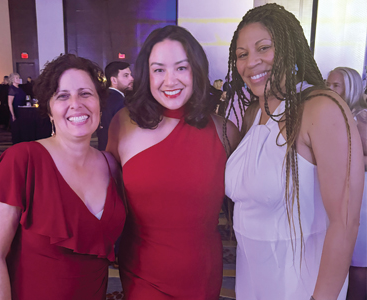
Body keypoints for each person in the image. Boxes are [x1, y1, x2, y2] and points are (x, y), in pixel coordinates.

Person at [224, 4, 364, 300]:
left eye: (264, 48)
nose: (252, 62)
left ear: (289, 48)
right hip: (253, 278)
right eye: (242, 54)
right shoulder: (254, 113)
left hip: (301, 283)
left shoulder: (320, 108)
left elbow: (346, 220)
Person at [107, 25, 240, 299]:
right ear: (146, 74)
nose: (170, 80)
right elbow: (104, 194)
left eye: (181, 68)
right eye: (159, 70)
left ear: (197, 70)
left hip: (202, 272)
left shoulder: (225, 132)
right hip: (141, 272)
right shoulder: (123, 124)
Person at [0, 54, 126, 300]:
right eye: (63, 96)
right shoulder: (23, 160)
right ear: (49, 110)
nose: (76, 104)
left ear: (100, 103)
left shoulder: (111, 165)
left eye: (86, 93)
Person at [327, 67, 367, 300]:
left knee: (358, 265)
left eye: (336, 86)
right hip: (340, 195)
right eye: (328, 84)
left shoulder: (360, 118)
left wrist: (345, 160)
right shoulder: (332, 114)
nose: (329, 90)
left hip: (360, 199)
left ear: (350, 88)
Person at [96, 61, 133, 150]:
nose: (131, 78)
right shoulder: (121, 102)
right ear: (114, 80)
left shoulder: (102, 99)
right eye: (126, 75)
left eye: (130, 75)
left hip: (103, 152)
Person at [8, 73, 26, 144]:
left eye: (19, 78)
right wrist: (13, 114)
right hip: (16, 110)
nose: (18, 79)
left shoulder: (20, 88)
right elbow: (10, 103)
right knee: (16, 129)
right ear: (12, 80)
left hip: (22, 111)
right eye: (16, 78)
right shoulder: (12, 89)